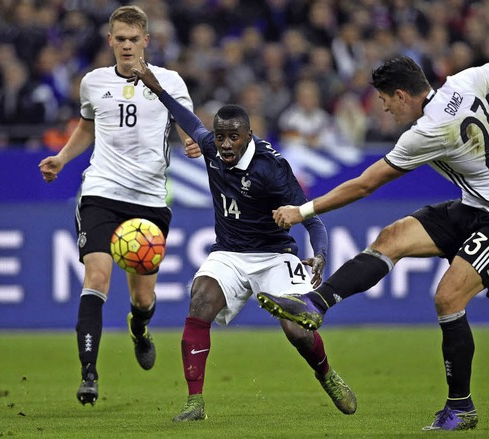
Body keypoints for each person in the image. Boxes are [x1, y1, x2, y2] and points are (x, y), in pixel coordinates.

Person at [257, 52, 489, 431]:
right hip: (473, 206)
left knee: (448, 298)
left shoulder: (428, 131)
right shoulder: (462, 82)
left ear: (403, 95)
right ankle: (315, 304)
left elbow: (365, 184)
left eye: (386, 100)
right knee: (393, 237)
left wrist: (301, 211)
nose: (385, 109)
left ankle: (461, 408)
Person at [130, 59, 357, 422]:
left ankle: (326, 374)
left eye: (233, 136)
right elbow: (185, 117)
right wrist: (156, 87)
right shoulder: (211, 148)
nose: (224, 144)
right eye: (220, 136)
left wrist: (321, 254)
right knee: (200, 301)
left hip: (275, 254)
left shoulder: (272, 168)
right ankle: (194, 403)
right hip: (229, 253)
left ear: (248, 135)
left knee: (297, 330)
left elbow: (311, 217)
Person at [38, 5, 195, 406]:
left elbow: (185, 122)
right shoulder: (93, 82)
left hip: (149, 200)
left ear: (146, 41)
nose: (126, 45)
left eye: (133, 39)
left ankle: (139, 328)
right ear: (110, 40)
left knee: (143, 298)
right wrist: (62, 158)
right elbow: (87, 126)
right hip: (101, 192)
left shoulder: (170, 81)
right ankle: (88, 373)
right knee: (98, 274)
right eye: (119, 39)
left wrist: (194, 141)